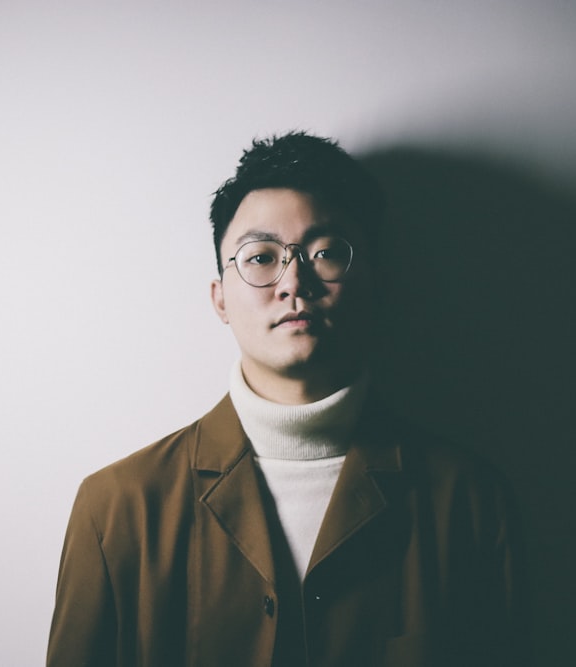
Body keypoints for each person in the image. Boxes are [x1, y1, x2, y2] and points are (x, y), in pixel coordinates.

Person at [47, 132, 529, 666]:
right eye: (260, 257)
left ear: (376, 282)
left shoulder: (467, 501)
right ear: (220, 298)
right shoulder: (118, 507)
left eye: (326, 252)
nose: (293, 281)